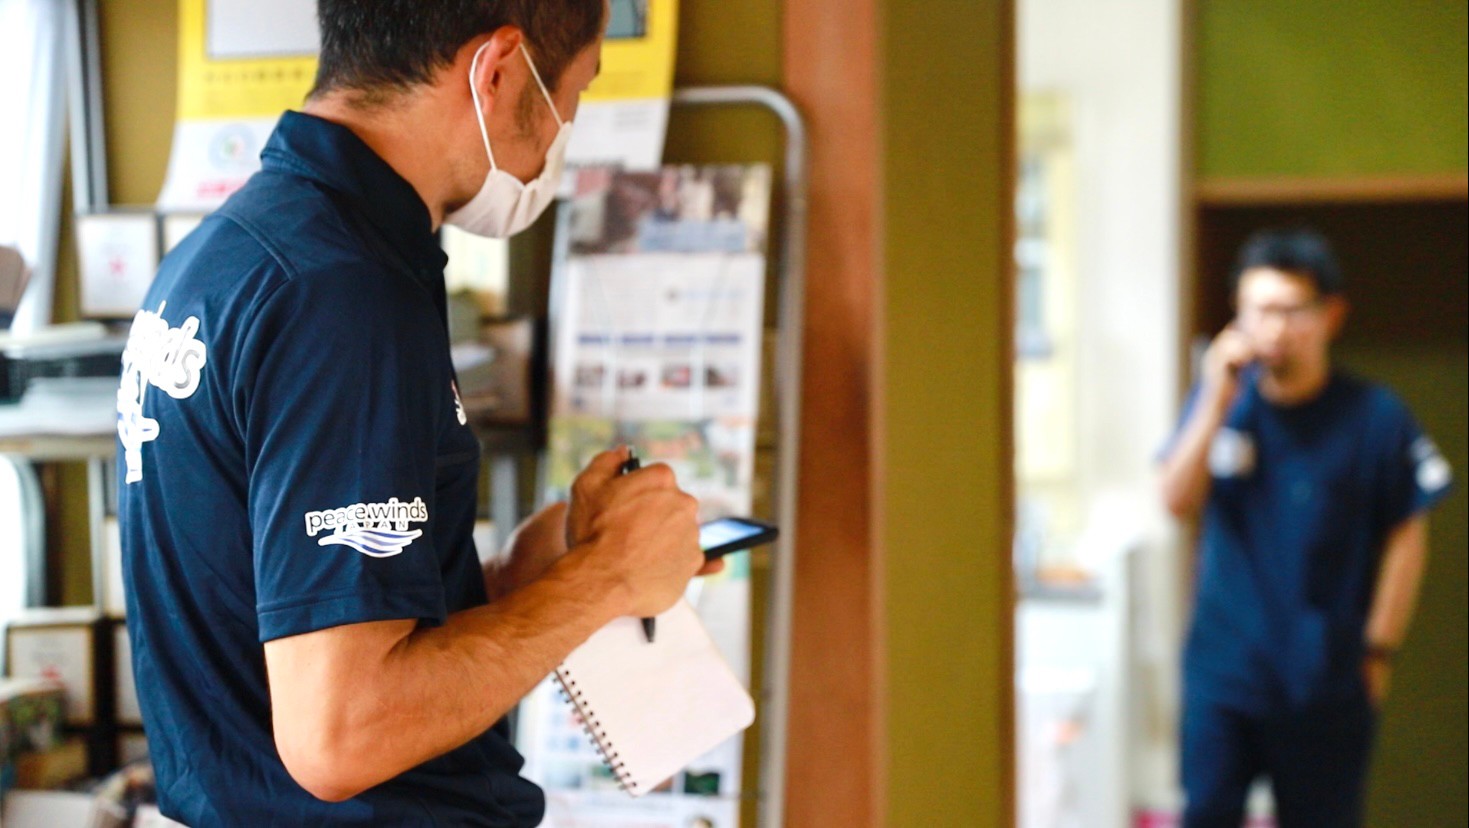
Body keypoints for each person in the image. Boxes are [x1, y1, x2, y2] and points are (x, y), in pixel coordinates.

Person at [115, 2, 718, 824]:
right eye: (574, 92)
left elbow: (323, 614)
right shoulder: (339, 290)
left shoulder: (237, 249)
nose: (563, 132)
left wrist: (548, 567)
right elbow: (342, 736)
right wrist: (604, 581)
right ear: (499, 70)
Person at [1158, 228, 1453, 827]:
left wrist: (1379, 650)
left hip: (1326, 680)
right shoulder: (1223, 404)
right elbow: (1173, 497)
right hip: (1224, 674)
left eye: (1291, 311)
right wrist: (1216, 396)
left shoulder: (1375, 418)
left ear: (1330, 316)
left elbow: (1407, 535)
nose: (1274, 329)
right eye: (1257, 311)